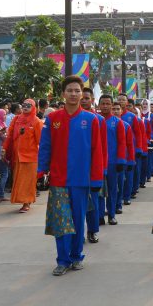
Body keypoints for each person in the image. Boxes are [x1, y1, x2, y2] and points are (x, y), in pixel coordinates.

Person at [38, 76, 105, 276]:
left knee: (77, 220)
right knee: (60, 221)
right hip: (58, 179)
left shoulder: (91, 119)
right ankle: (62, 259)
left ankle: (76, 256)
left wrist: (96, 179)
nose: (74, 94)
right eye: (70, 90)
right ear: (63, 94)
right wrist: (41, 171)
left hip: (81, 180)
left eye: (77, 91)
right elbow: (46, 147)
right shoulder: (53, 119)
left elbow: (96, 151)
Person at [4, 99, 42, 213]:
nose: (25, 107)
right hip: (17, 156)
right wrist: (4, 148)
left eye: (29, 106)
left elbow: (41, 141)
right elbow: (9, 135)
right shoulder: (16, 119)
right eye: (24, 105)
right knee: (19, 181)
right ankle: (23, 201)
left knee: (28, 182)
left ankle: (27, 203)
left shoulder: (36, 121)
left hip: (31, 157)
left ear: (33, 107)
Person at [97, 95, 130, 225]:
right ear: (99, 105)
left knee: (112, 189)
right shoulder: (95, 120)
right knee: (98, 190)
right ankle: (99, 215)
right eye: (103, 103)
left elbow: (122, 143)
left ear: (112, 105)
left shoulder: (117, 122)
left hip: (112, 162)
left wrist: (121, 160)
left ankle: (111, 214)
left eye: (107, 104)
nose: (105, 106)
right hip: (98, 162)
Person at [81, 87, 108, 242]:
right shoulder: (71, 117)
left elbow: (103, 147)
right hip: (76, 168)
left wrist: (102, 168)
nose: (84, 100)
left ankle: (92, 230)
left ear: (92, 100)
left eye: (87, 98)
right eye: (82, 97)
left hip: (93, 168)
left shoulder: (98, 120)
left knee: (93, 201)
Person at [113, 101, 135, 207]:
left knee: (121, 182)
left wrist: (131, 160)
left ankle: (120, 203)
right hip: (109, 159)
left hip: (122, 159)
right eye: (114, 109)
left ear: (122, 111)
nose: (116, 111)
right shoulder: (103, 122)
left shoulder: (126, 126)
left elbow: (130, 145)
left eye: (118, 109)